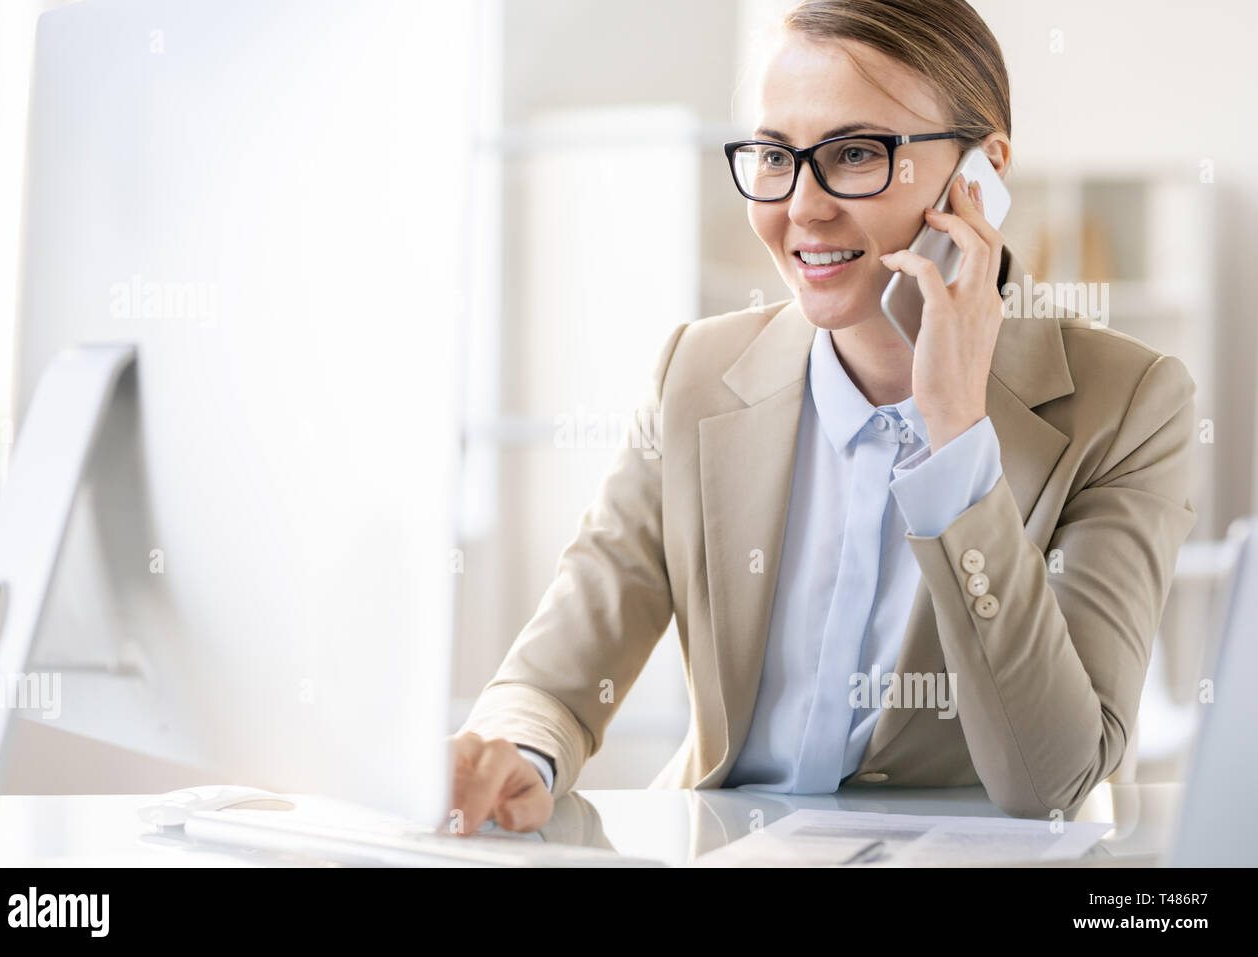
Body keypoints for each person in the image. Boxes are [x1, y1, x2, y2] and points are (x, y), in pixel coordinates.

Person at [449, 0, 1197, 835]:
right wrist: (520, 748)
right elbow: (557, 670)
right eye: (775, 156)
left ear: (981, 176)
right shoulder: (696, 375)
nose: (801, 207)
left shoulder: (1130, 406)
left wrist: (955, 439)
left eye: (853, 154)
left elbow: (1051, 777)